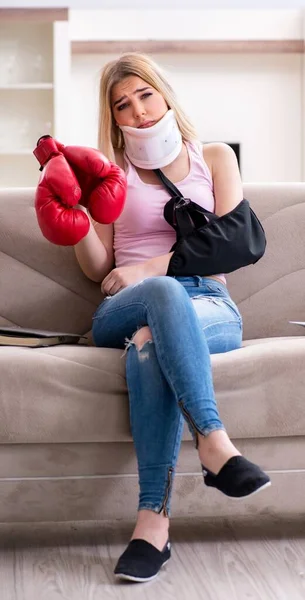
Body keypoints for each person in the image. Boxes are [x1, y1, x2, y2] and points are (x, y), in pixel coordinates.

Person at [73, 53, 271, 583]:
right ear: (113, 118)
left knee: (150, 341)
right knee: (156, 302)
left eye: (145, 95)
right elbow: (98, 267)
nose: (137, 111)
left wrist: (153, 265)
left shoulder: (215, 159)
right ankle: (213, 441)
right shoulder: (110, 176)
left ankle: (151, 527)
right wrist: (73, 221)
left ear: (164, 96)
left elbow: (237, 245)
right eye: (122, 104)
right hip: (128, 304)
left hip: (209, 302)